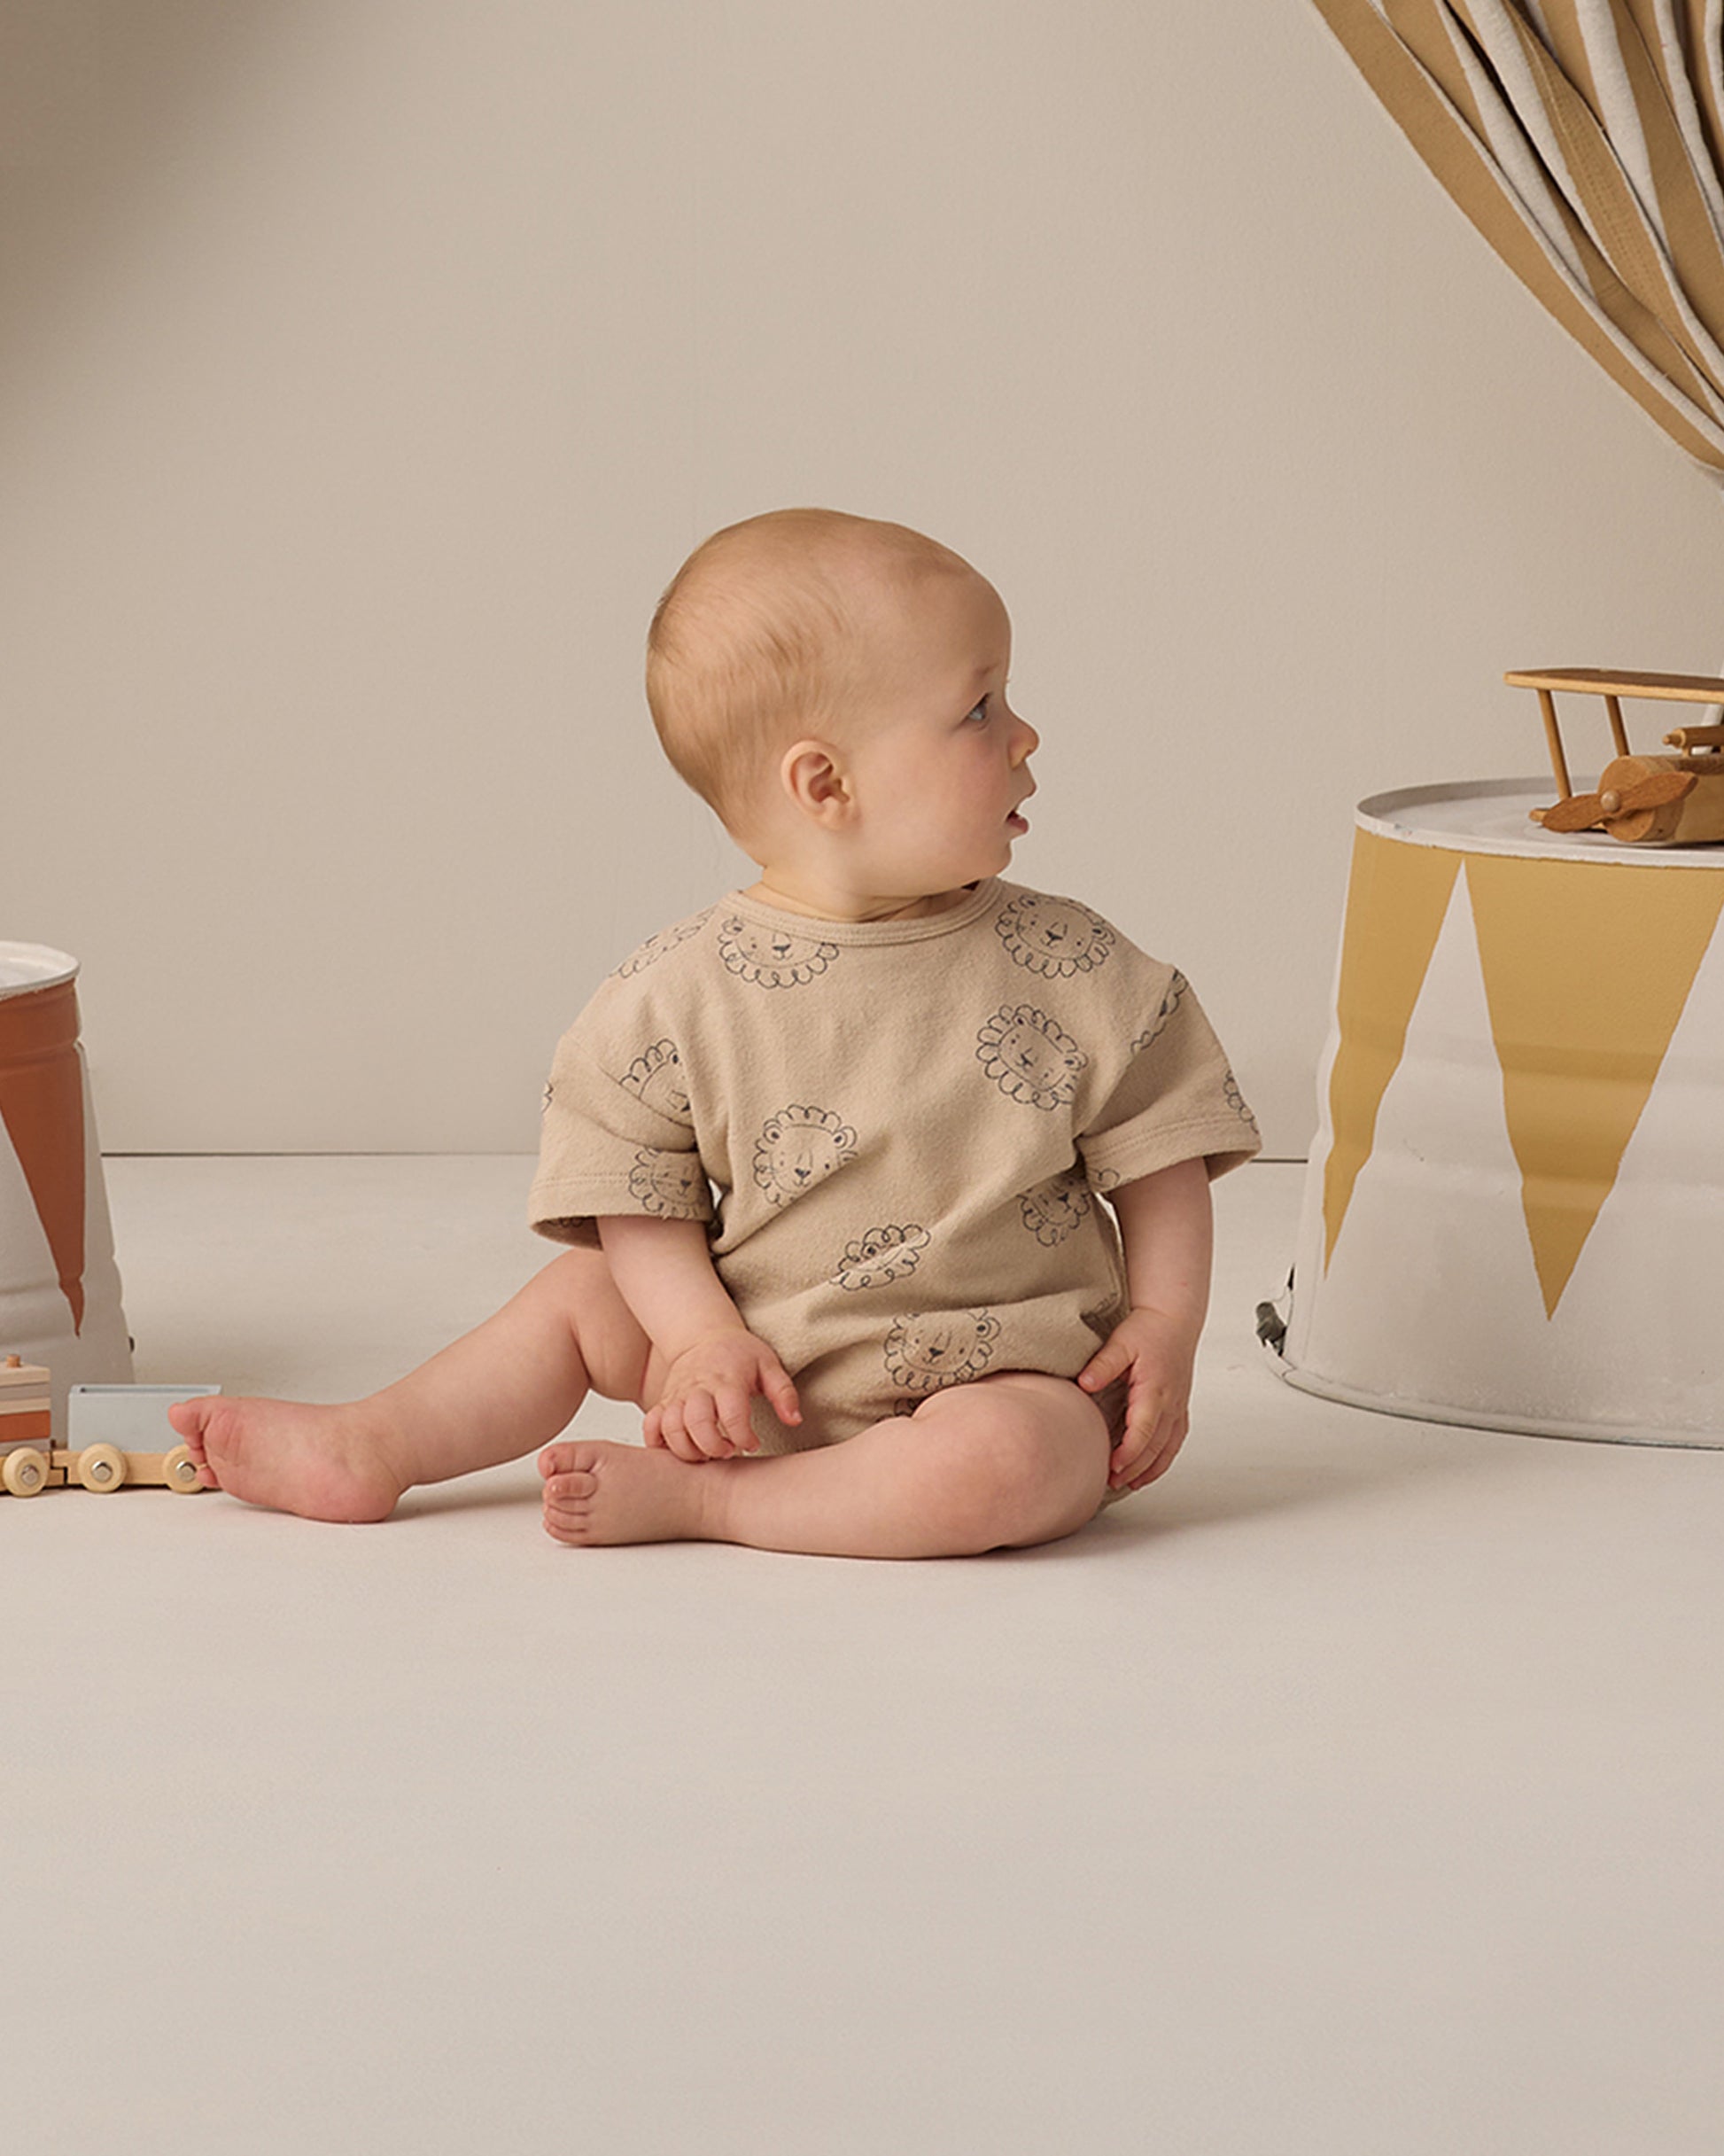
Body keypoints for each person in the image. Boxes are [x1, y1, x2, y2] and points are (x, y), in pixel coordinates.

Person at [169, 508, 1260, 1558]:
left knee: (1019, 1463)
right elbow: (634, 1192)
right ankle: (379, 1441)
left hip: (996, 1381)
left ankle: (714, 1503)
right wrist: (697, 1336)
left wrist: (1163, 1323)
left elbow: (1160, 1151)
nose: (1024, 733)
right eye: (978, 708)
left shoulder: (1071, 965)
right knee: (582, 1299)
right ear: (824, 782)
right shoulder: (675, 994)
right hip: (748, 1369)